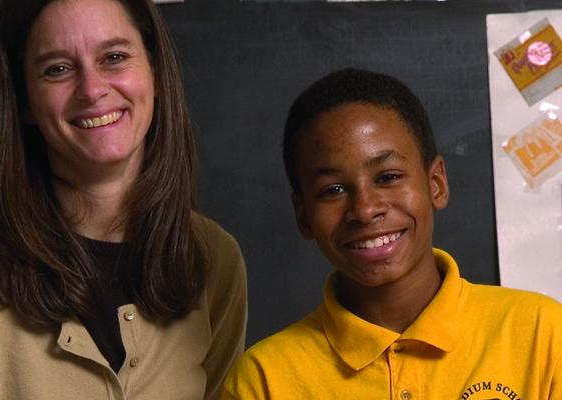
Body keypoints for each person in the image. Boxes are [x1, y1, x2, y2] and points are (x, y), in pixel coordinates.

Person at [0, 0, 247, 399]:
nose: (93, 90)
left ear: (154, 71)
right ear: (24, 100)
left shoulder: (213, 258)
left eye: (114, 57)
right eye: (57, 69)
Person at [221, 68, 562, 399]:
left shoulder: (542, 333)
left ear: (436, 184)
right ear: (303, 215)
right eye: (333, 189)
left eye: (388, 177)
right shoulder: (265, 379)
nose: (365, 209)